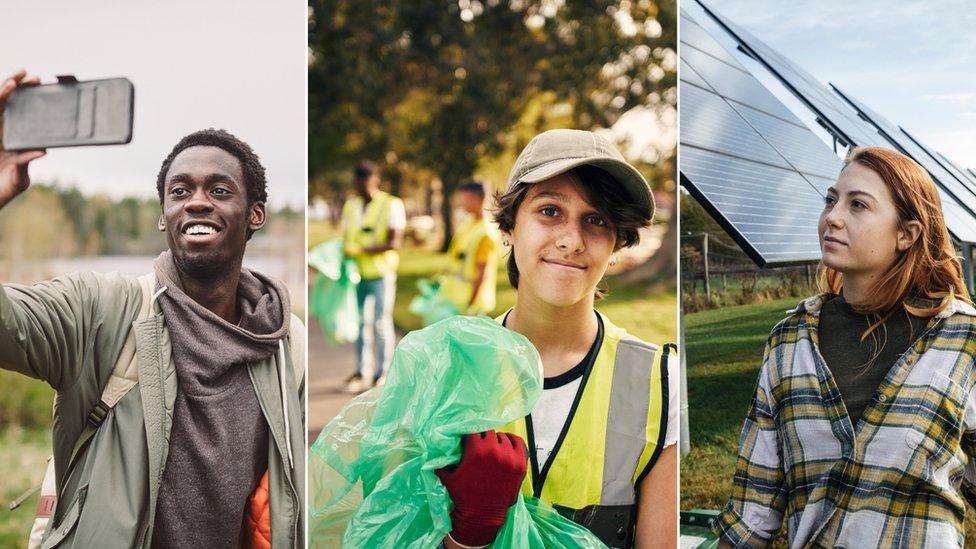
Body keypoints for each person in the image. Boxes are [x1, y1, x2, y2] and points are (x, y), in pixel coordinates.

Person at [0, 70, 305, 548]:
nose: (197, 203)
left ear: (255, 215)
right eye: (180, 192)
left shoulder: (287, 342)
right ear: (164, 215)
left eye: (220, 191)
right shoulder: (102, 310)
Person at [714, 147, 976, 548]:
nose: (832, 217)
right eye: (831, 200)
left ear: (906, 234)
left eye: (858, 205)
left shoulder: (963, 339)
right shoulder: (789, 341)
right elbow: (753, 512)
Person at [437, 129, 679, 549]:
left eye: (597, 220)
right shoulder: (450, 367)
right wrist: (468, 533)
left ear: (616, 244)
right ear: (509, 227)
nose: (571, 240)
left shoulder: (658, 381)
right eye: (550, 211)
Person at [340, 161, 406, 392]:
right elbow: (346, 237)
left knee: (380, 322)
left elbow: (394, 242)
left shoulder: (391, 204)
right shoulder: (351, 205)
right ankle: (362, 371)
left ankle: (384, 373)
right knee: (359, 323)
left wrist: (362, 250)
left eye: (365, 183)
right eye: (358, 184)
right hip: (356, 275)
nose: (361, 188)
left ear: (374, 181)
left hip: (381, 274)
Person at [437, 180, 500, 316]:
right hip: (457, 299)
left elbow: (482, 273)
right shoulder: (469, 223)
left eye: (464, 198)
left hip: (471, 305)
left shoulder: (485, 233)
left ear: (475, 199)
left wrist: (471, 305)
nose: (462, 203)